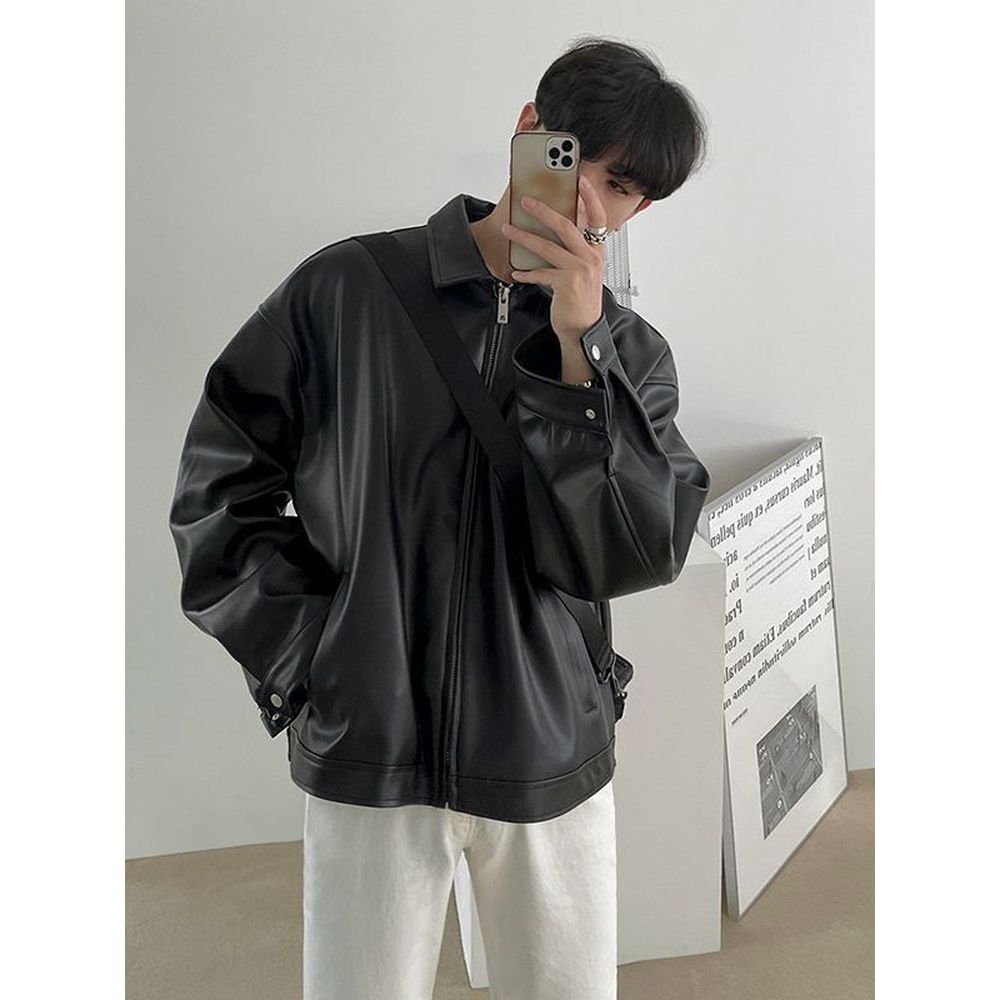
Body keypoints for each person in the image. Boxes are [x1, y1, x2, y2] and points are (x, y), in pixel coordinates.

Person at [168, 35, 711, 1000]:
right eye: (579, 159)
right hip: (372, 745)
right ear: (529, 129)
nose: (591, 199)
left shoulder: (630, 355)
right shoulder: (348, 290)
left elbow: (634, 551)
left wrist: (579, 353)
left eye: (623, 187)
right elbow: (219, 487)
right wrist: (312, 660)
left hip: (548, 744)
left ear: (644, 208)